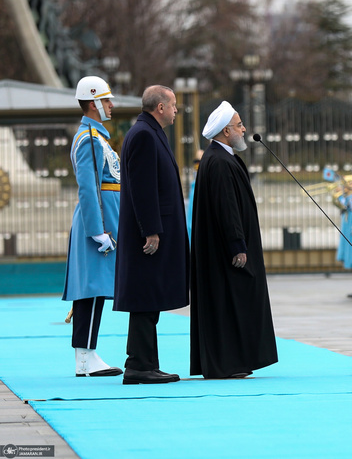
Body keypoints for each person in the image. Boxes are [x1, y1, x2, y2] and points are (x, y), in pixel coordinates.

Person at [189, 101, 278, 379]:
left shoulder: (219, 157)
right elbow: (227, 208)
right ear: (226, 131)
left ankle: (232, 361)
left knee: (229, 304)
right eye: (239, 125)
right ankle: (229, 363)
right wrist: (237, 244)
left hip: (222, 249)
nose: (244, 129)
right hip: (227, 252)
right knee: (231, 303)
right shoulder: (219, 161)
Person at [114, 85, 189, 385]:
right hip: (148, 235)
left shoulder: (147, 131)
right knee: (146, 298)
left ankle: (141, 362)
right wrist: (152, 231)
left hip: (151, 231)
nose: (175, 111)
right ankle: (140, 366)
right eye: (173, 106)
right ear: (160, 107)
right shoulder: (145, 134)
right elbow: (143, 188)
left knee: (148, 299)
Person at [64, 76, 122, 377]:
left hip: (101, 221)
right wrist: (97, 229)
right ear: (93, 102)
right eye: (106, 100)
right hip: (95, 224)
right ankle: (84, 358)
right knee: (90, 290)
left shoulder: (97, 136)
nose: (111, 105)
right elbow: (88, 187)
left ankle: (88, 354)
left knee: (96, 289)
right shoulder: (89, 137)